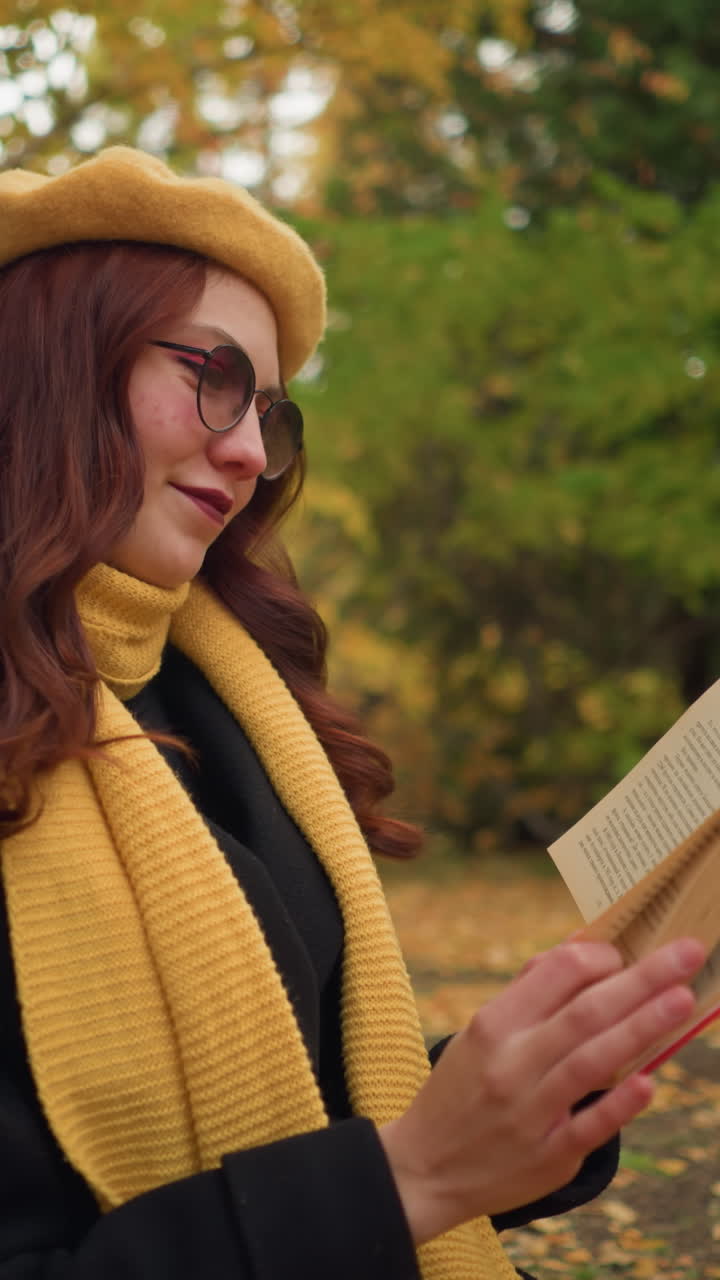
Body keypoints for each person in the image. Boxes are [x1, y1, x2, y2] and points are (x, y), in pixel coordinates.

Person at [0, 146, 705, 1280]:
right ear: (53, 363)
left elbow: (307, 1093)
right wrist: (409, 1175)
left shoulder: (233, 696)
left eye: (269, 411)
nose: (246, 450)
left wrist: (521, 1097)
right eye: (213, 376)